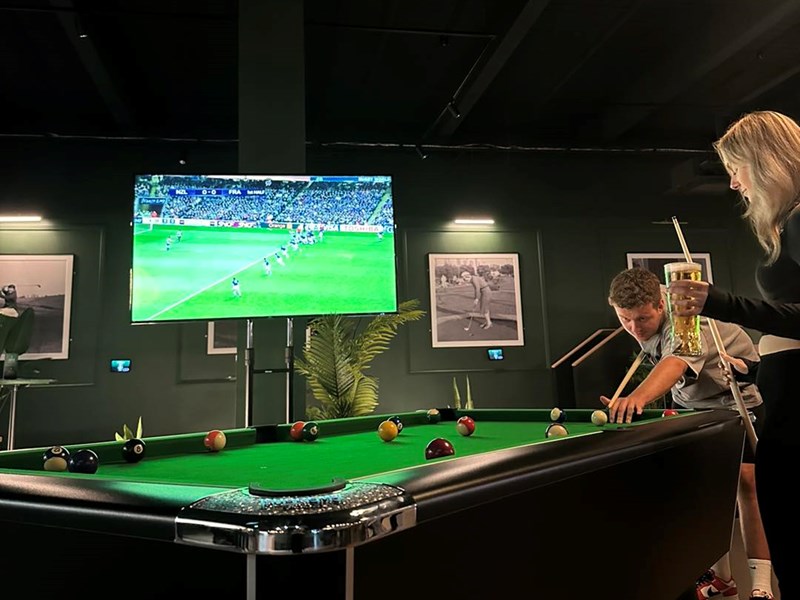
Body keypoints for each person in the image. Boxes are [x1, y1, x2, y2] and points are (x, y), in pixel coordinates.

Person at [669, 110, 800, 599]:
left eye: (736, 167)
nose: (732, 182)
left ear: (766, 161)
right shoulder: (790, 222)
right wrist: (757, 366)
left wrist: (721, 303)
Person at [605, 267, 774, 600]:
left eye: (642, 319)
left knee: (747, 484)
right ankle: (722, 579)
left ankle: (762, 585)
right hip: (693, 405)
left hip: (736, 400)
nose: (634, 328)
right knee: (706, 488)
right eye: (625, 320)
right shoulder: (641, 317)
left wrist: (637, 397)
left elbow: (676, 362)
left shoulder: (686, 314)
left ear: (660, 304)